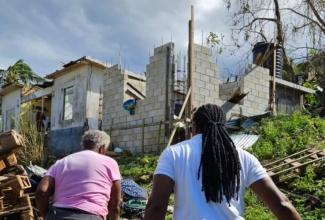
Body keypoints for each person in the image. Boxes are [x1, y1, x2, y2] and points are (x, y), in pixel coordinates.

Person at [144, 104, 301, 220]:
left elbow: (156, 207)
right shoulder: (244, 158)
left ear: (195, 127)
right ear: (223, 128)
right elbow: (282, 206)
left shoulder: (173, 153)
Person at [36, 130, 121, 220]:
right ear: (102, 148)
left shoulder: (61, 162)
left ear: (84, 145)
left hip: (56, 215)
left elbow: (42, 191)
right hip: (91, 216)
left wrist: (47, 215)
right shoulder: (109, 162)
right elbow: (114, 205)